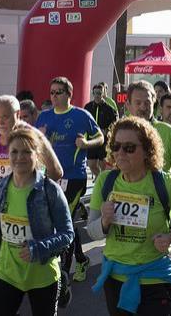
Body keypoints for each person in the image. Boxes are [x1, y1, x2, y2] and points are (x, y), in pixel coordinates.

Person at [87, 117, 171, 315]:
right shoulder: (105, 181)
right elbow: (92, 231)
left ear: (147, 151)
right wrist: (104, 222)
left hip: (156, 277)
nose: (121, 153)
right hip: (117, 278)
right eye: (116, 147)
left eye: (129, 148)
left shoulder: (164, 182)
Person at [0, 127, 75, 316]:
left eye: (26, 151)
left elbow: (68, 234)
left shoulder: (50, 190)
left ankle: (62, 282)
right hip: (7, 273)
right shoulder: (0, 188)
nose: (20, 157)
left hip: (42, 276)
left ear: (37, 154)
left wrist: (38, 248)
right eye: (14, 152)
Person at [36, 77, 103, 288]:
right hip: (51, 178)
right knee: (66, 223)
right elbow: (35, 143)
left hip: (75, 177)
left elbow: (100, 136)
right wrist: (40, 137)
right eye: (52, 92)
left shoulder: (80, 116)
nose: (54, 96)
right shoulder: (44, 117)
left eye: (59, 92)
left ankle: (62, 274)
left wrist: (86, 144)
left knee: (62, 221)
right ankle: (82, 260)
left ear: (69, 94)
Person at [125, 81, 171, 183]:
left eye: (147, 103)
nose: (143, 107)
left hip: (160, 197)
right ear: (128, 105)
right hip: (128, 197)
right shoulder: (120, 131)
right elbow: (109, 171)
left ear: (154, 102)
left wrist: (164, 184)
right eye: (138, 103)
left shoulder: (168, 131)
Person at [85, 83, 119, 180]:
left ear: (103, 94)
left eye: (99, 93)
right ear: (93, 93)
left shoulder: (109, 108)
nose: (97, 96)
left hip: (104, 139)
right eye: (95, 93)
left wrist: (108, 130)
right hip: (91, 138)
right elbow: (83, 120)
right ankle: (99, 177)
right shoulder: (88, 107)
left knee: (102, 163)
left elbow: (115, 122)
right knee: (91, 164)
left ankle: (103, 179)